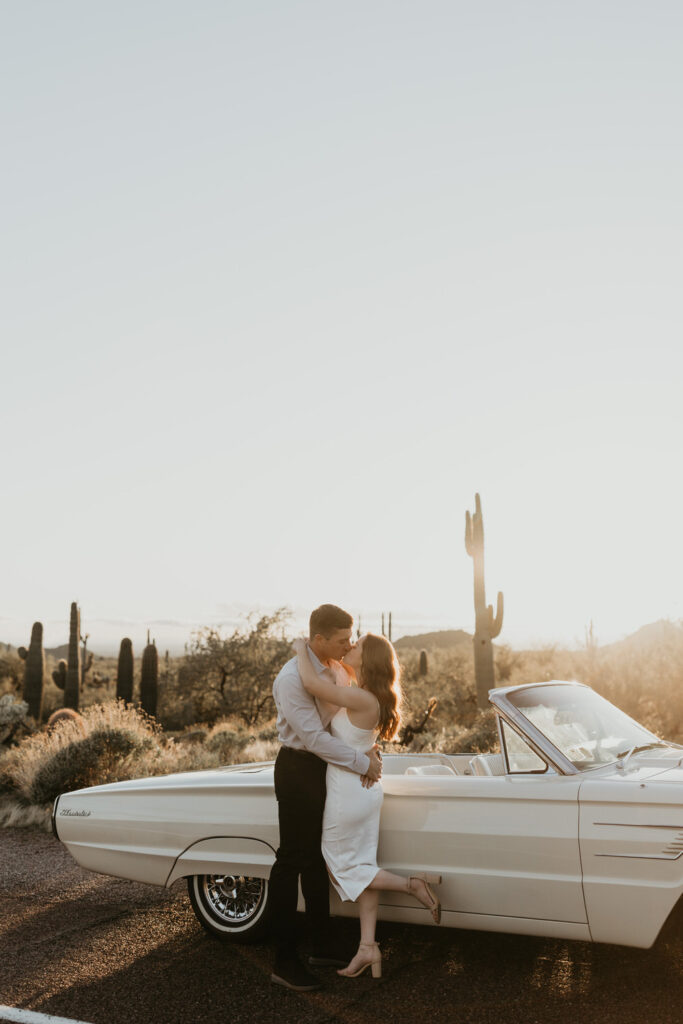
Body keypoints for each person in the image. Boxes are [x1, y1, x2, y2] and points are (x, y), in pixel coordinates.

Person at [292, 630, 441, 980]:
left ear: (367, 658)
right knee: (363, 867)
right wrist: (368, 752)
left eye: (356, 645)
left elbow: (312, 685)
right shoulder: (368, 696)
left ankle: (412, 885)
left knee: (339, 864)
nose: (350, 647)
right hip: (362, 788)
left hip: (349, 792)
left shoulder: (363, 698)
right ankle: (367, 947)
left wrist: (301, 647)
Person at [269, 604, 383, 992]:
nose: (348, 644)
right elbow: (313, 739)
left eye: (350, 638)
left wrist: (368, 750)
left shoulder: (336, 667)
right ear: (318, 638)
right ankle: (283, 960)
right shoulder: (290, 679)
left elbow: (351, 714)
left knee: (317, 860)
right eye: (341, 639)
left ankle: (321, 945)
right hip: (299, 768)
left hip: (327, 769)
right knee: (292, 860)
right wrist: (360, 763)